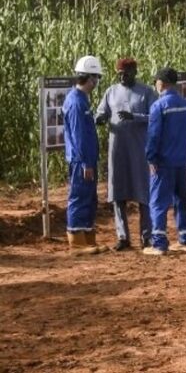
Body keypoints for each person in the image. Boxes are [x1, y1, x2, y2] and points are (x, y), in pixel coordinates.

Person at [95, 58, 159, 251]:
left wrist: (135, 117)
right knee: (118, 193)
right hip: (118, 150)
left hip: (139, 151)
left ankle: (146, 236)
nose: (123, 77)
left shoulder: (147, 92)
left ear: (135, 72)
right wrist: (101, 117)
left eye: (126, 73)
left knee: (143, 194)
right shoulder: (111, 92)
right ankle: (123, 237)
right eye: (120, 74)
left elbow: (156, 117)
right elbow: (101, 111)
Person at [144, 67, 186, 255]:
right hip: (181, 162)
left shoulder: (159, 107)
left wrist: (151, 158)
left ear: (161, 83)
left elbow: (153, 136)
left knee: (158, 203)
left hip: (163, 163)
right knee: (181, 200)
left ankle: (158, 243)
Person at [63, 55, 103, 253]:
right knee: (79, 196)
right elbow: (79, 136)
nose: (96, 83)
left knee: (89, 197)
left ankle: (87, 237)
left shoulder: (81, 100)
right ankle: (77, 242)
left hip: (87, 159)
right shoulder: (77, 103)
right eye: (96, 78)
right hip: (81, 161)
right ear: (90, 78)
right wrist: (86, 162)